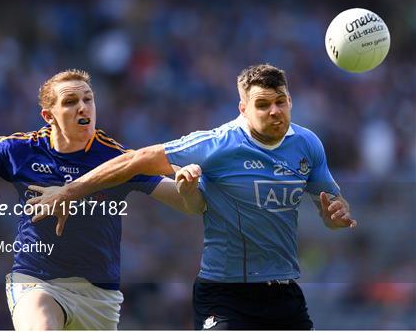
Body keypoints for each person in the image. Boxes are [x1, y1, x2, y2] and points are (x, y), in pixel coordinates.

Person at [27, 64, 357, 330]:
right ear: (243, 108)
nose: (275, 111)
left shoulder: (307, 144)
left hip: (285, 293)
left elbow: (330, 206)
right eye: (263, 104)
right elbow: (133, 161)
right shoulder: (219, 144)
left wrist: (334, 217)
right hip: (226, 295)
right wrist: (70, 190)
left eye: (280, 102)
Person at [0, 69, 205, 330]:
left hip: (98, 297)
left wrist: (188, 186)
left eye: (88, 99)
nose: (83, 107)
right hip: (37, 280)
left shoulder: (116, 157)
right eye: (70, 101)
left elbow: (185, 202)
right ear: (49, 115)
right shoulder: (20, 150)